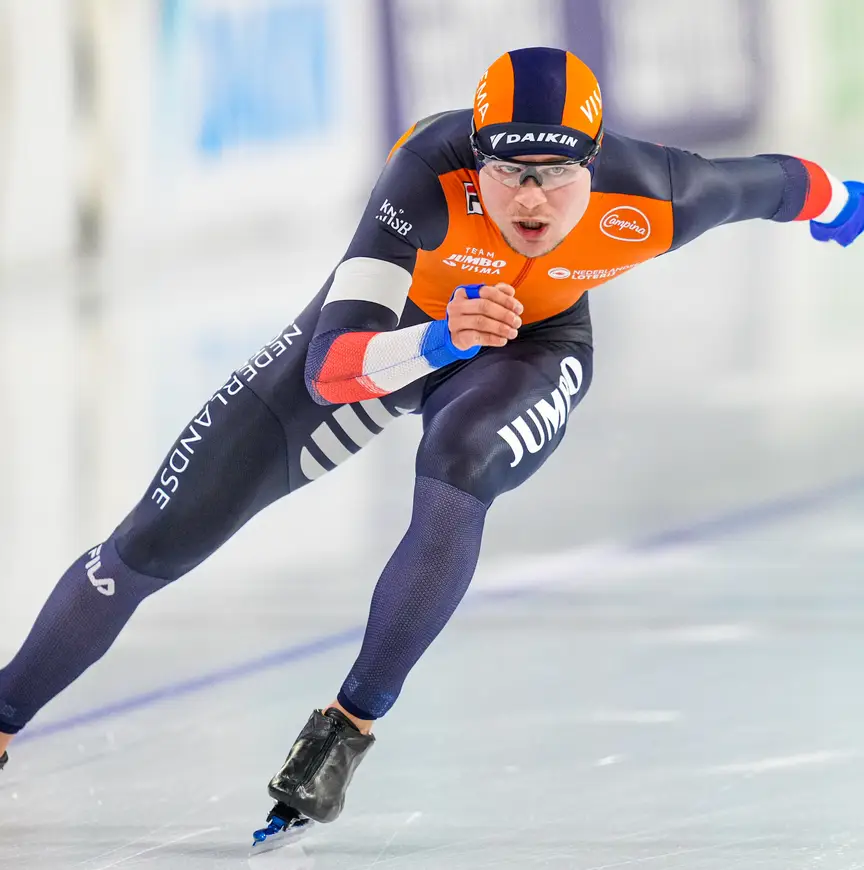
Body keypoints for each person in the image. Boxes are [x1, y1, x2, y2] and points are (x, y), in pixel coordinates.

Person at [1, 47, 862, 834]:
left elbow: (783, 183)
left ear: (596, 165)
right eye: (509, 171)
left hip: (532, 347)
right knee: (153, 541)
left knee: (460, 462)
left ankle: (348, 727)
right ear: (475, 161)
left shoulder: (661, 194)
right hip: (396, 334)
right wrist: (443, 338)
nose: (531, 199)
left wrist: (843, 203)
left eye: (557, 173)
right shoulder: (424, 176)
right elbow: (330, 371)